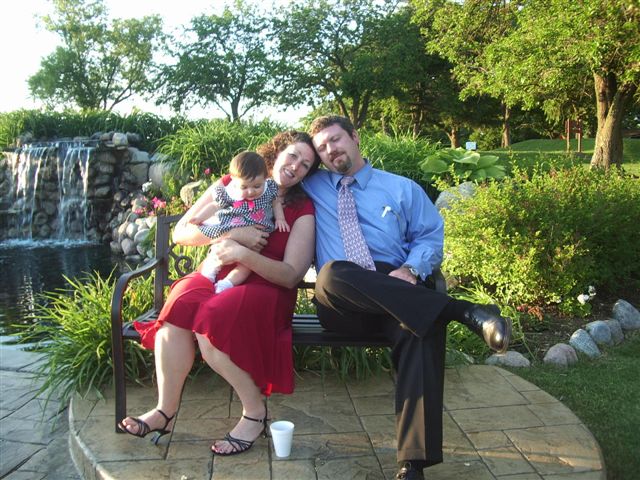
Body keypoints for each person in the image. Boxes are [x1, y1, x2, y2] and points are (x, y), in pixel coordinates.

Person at [303, 115, 511, 480]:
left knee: (419, 327)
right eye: (321, 148)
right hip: (342, 299)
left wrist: (412, 270)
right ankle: (462, 311)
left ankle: (413, 465)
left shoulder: (401, 188)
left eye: (335, 140)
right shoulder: (311, 185)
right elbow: (260, 177)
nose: (330, 150)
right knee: (332, 273)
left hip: (397, 287)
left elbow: (429, 236)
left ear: (355, 136)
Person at [118, 131, 320, 456]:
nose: (296, 166)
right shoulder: (232, 182)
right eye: (293, 155)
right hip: (216, 272)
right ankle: (164, 412)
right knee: (180, 305)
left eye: (306, 165)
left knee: (212, 317)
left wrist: (243, 254)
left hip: (265, 286)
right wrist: (233, 233)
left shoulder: (301, 208)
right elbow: (182, 232)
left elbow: (291, 275)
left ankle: (255, 413)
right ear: (278, 150)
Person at [188, 150, 289, 294]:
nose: (251, 192)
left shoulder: (269, 189)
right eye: (244, 187)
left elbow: (276, 203)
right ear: (234, 182)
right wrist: (200, 217)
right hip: (234, 229)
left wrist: (280, 219)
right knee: (220, 248)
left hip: (258, 236)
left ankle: (227, 283)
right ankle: (209, 273)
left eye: (257, 186)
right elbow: (215, 206)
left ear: (265, 178)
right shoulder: (229, 192)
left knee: (249, 263)